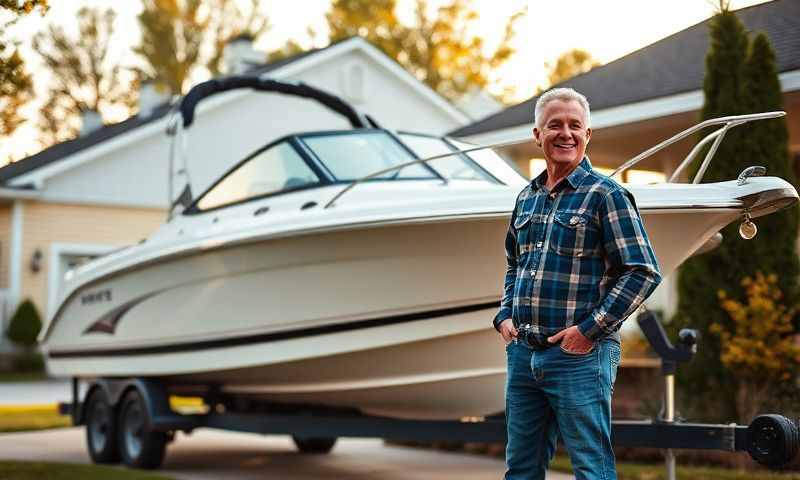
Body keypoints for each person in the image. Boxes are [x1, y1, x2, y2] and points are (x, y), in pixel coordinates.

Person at [493, 87, 662, 480]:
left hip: (579, 357)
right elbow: (514, 265)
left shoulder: (607, 195)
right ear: (537, 135)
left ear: (588, 135)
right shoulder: (526, 198)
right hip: (523, 355)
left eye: (575, 126)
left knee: (591, 469)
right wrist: (504, 315)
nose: (565, 133)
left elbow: (642, 271)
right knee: (520, 469)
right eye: (555, 125)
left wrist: (588, 332)